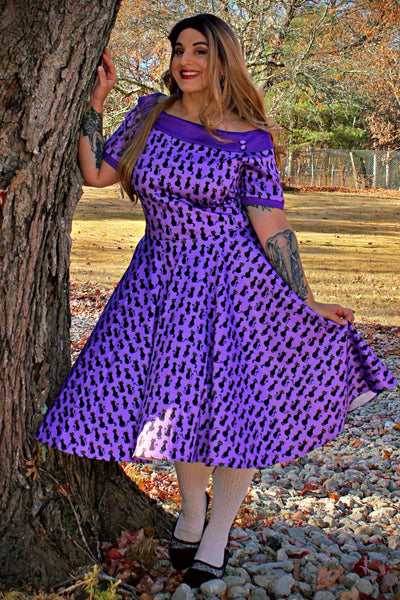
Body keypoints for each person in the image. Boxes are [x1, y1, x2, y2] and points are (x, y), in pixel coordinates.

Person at [35, 13, 396, 588]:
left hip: (236, 286)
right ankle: (194, 509)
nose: (186, 61)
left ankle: (218, 530)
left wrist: (305, 301)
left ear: (222, 59)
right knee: (180, 401)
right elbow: (97, 173)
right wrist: (95, 103)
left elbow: (271, 223)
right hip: (160, 281)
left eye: (199, 50)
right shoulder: (150, 114)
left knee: (237, 408)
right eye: (179, 49)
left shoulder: (250, 136)